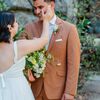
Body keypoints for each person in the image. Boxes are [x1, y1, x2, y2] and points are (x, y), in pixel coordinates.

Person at [19, 0, 81, 100]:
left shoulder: (69, 29)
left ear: (51, 5)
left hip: (58, 89)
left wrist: (70, 92)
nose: (37, 11)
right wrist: (27, 71)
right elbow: (19, 55)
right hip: (34, 89)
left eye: (40, 7)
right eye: (35, 8)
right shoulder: (28, 28)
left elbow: (74, 64)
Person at [0, 6, 53, 100]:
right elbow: (44, 40)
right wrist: (46, 21)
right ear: (10, 27)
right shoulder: (18, 47)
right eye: (15, 22)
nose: (17, 23)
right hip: (18, 91)